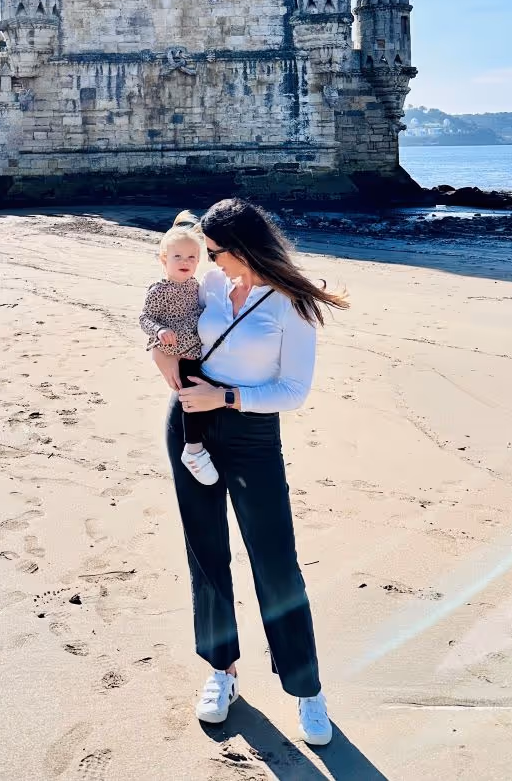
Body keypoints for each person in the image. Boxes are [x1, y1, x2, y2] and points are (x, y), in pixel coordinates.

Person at [151, 198, 349, 747]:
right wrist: (167, 368)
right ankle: (222, 671)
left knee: (276, 561)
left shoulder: (294, 303)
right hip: (190, 423)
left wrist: (228, 397)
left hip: (252, 435)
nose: (208, 262)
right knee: (206, 552)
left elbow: (294, 391)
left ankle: (307, 691)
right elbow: (164, 326)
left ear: (241, 247)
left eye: (215, 252)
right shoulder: (208, 286)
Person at [139, 212, 217, 485]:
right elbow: (145, 318)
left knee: (204, 394)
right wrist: (160, 331)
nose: (185, 262)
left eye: (192, 257)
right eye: (177, 257)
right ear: (164, 260)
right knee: (191, 399)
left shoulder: (197, 286)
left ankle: (203, 440)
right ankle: (193, 448)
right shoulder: (159, 290)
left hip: (195, 349)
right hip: (175, 350)